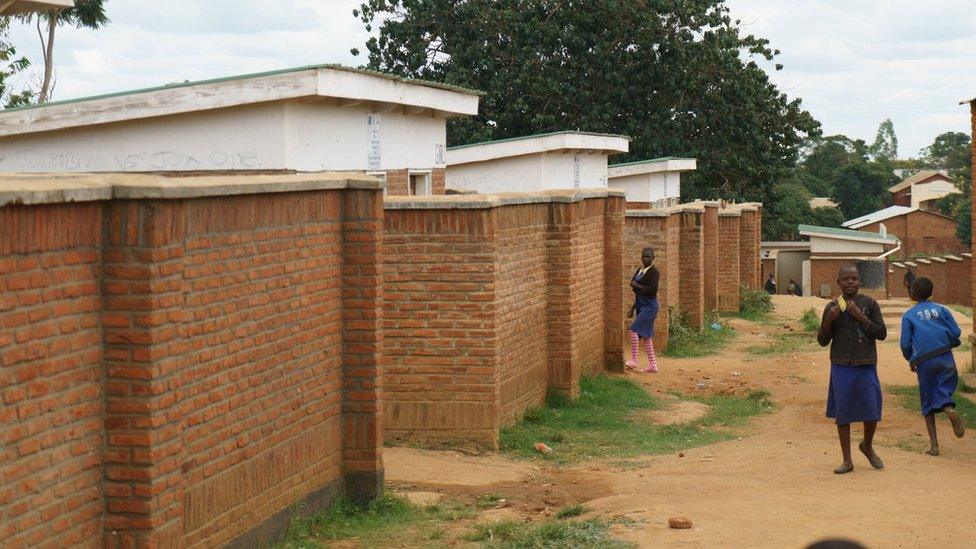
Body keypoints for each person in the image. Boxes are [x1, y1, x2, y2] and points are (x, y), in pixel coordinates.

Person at [817, 265, 887, 474]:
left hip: (865, 363)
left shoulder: (870, 304)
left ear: (860, 282)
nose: (850, 282)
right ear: (838, 282)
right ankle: (847, 460)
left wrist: (859, 316)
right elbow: (822, 340)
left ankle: (867, 445)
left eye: (854, 279)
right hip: (841, 365)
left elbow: (881, 333)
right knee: (844, 413)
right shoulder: (832, 307)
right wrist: (829, 320)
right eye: (845, 279)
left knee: (872, 410)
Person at [899, 277, 966, 456]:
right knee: (943, 390)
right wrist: (951, 342)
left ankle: (934, 446)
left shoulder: (909, 315)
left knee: (927, 402)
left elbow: (905, 343)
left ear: (912, 293)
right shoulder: (941, 309)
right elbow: (956, 332)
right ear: (932, 292)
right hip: (945, 357)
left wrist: (911, 359)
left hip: (924, 360)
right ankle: (949, 409)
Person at [626, 247, 660, 373]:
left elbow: (653, 289)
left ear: (653, 258)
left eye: (648, 257)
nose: (645, 259)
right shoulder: (640, 270)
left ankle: (634, 360)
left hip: (650, 307)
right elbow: (632, 284)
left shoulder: (654, 272)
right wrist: (632, 308)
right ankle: (653, 365)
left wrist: (638, 285)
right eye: (643, 256)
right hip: (640, 305)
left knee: (633, 330)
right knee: (646, 336)